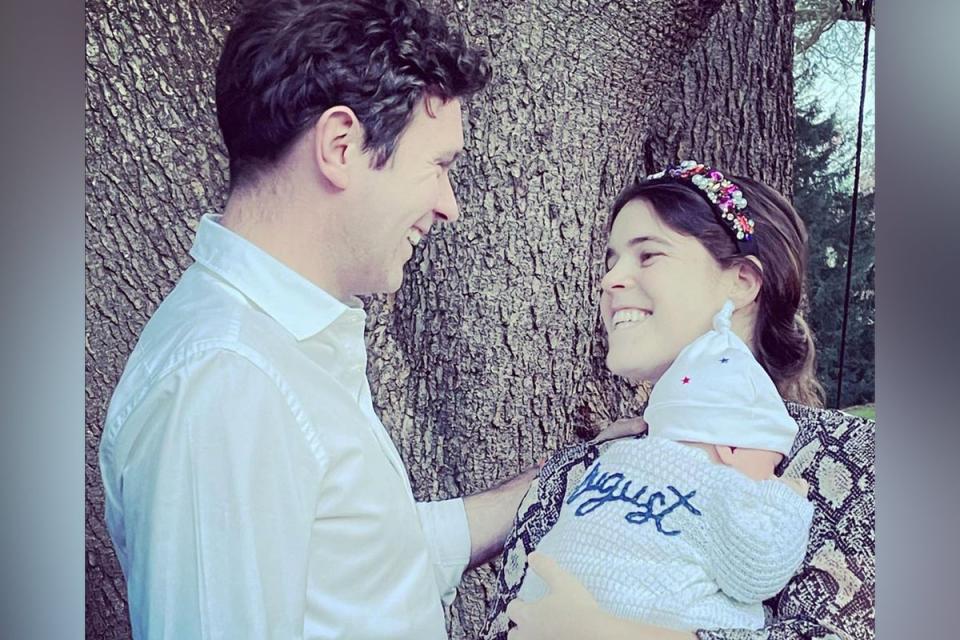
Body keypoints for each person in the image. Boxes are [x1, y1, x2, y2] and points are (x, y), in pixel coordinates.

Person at [98, 1, 536, 638]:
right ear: (341, 147)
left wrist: (565, 480)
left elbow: (365, 558)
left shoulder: (280, 350)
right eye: (438, 166)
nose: (450, 207)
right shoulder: (226, 385)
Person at [482, 162, 875, 639]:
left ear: (743, 282)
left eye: (648, 256)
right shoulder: (583, 468)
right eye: (611, 261)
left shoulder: (856, 462)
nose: (609, 281)